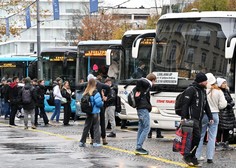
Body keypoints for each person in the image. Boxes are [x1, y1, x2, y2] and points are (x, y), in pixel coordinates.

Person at [181, 72, 213, 166]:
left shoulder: (203, 90)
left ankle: (192, 157)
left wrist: (210, 116)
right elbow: (185, 105)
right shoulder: (191, 90)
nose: (207, 82)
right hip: (191, 118)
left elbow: (206, 104)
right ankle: (187, 156)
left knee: (197, 139)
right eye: (205, 81)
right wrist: (183, 118)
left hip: (199, 119)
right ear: (200, 81)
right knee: (194, 138)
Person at [195, 73, 227, 164]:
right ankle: (210, 157)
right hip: (215, 114)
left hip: (204, 115)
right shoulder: (218, 91)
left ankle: (197, 155)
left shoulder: (202, 90)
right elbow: (223, 104)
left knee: (200, 136)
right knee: (212, 137)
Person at [134, 73, 157, 155]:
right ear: (152, 80)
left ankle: (138, 146)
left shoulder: (143, 88)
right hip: (143, 109)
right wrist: (149, 82)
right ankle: (139, 147)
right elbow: (141, 81)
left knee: (141, 127)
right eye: (154, 82)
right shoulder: (145, 84)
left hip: (140, 109)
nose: (154, 84)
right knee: (147, 128)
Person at [79, 78, 104, 147]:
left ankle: (82, 141)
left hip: (88, 112)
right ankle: (96, 142)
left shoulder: (86, 92)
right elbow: (98, 103)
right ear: (94, 84)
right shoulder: (95, 92)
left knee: (86, 127)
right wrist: (102, 102)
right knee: (96, 127)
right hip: (95, 112)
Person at [87, 74, 110, 145]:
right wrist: (105, 96)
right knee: (102, 122)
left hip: (91, 107)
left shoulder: (88, 86)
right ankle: (104, 139)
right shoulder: (99, 84)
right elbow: (108, 88)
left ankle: (92, 139)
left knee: (91, 123)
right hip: (100, 105)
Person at [216, 77, 236, 150]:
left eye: (225, 83)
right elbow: (220, 103)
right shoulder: (218, 91)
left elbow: (230, 100)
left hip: (228, 114)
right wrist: (228, 105)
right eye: (223, 83)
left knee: (227, 129)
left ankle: (225, 143)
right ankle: (218, 144)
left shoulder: (226, 91)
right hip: (222, 113)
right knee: (220, 129)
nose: (225, 84)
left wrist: (231, 103)